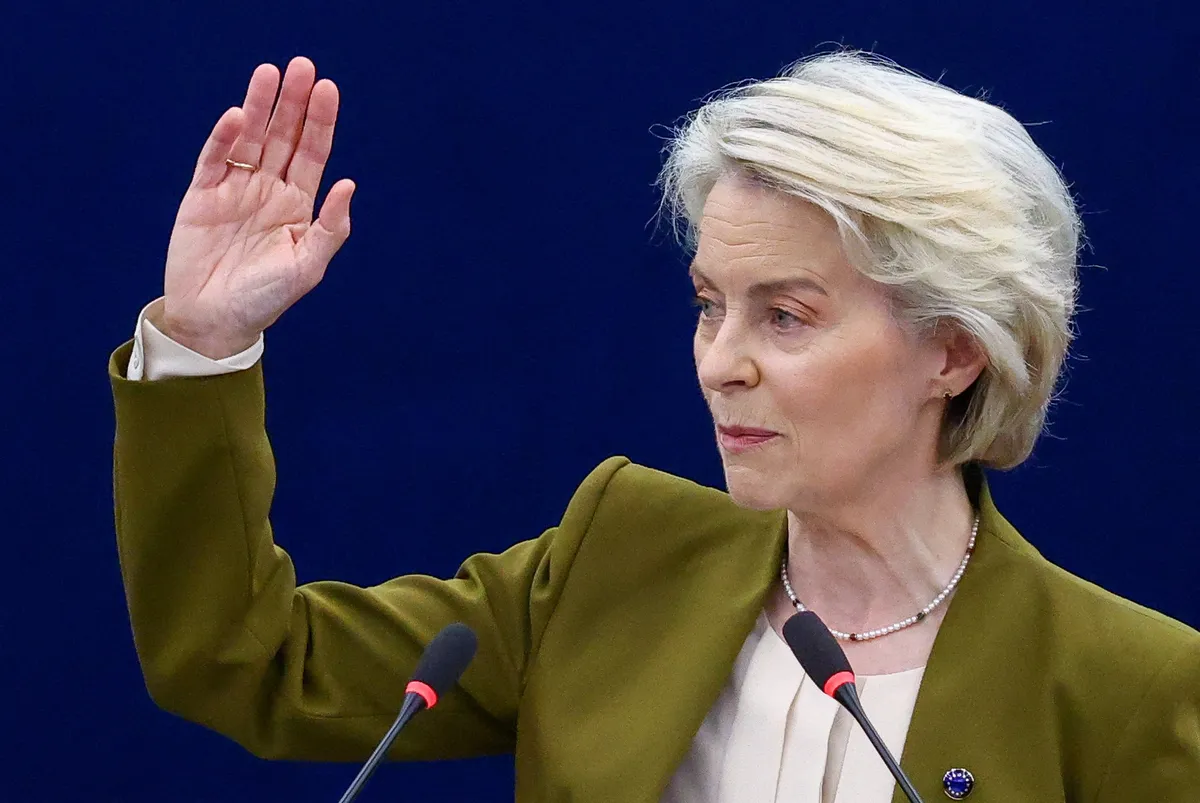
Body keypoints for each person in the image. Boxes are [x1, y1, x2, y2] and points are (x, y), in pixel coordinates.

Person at [109, 51, 1200, 802]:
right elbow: (248, 660)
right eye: (710, 305)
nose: (722, 361)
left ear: (954, 350)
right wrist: (204, 340)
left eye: (786, 315)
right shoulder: (618, 557)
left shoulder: (1128, 688)